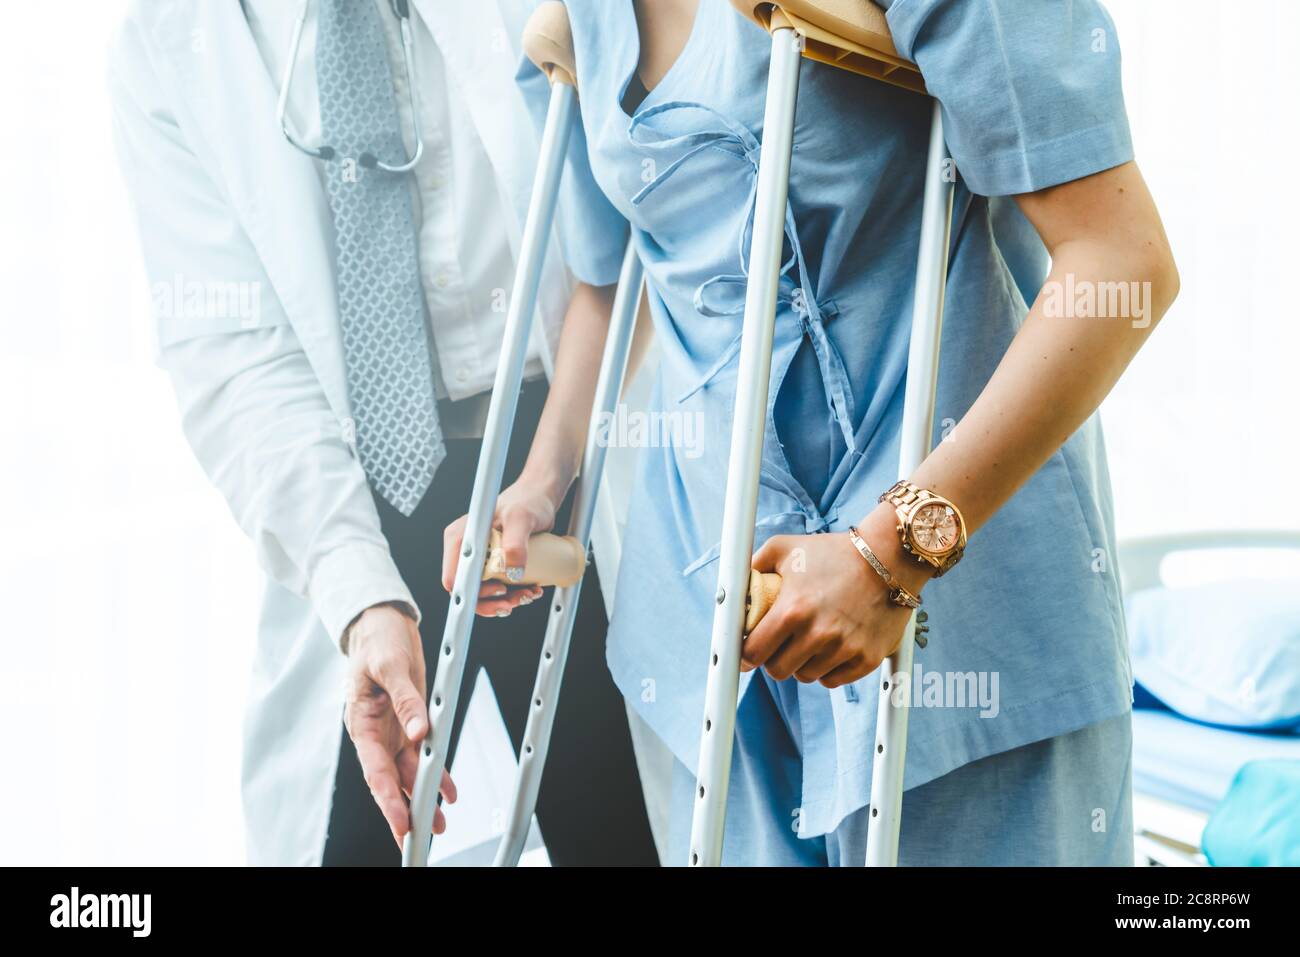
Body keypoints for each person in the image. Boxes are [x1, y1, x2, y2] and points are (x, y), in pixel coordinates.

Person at [473, 0, 1179, 865]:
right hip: (727, 620)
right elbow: (615, 273)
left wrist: (889, 558)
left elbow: (1121, 260)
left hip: (956, 607)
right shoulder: (571, 18)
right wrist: (543, 480)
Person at [108, 0, 659, 866]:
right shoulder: (169, 38)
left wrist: (553, 462)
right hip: (347, 493)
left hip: (569, 442)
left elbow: (641, 213)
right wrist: (360, 595)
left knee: (631, 831)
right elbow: (238, 362)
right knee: (351, 837)